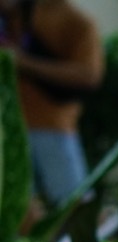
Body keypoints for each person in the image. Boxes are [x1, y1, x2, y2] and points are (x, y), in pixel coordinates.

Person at [0, 0, 103, 211]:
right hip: (10, 127)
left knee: (74, 207)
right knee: (17, 209)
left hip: (52, 127)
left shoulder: (75, 21)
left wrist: (25, 63)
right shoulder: (16, 14)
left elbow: (89, 75)